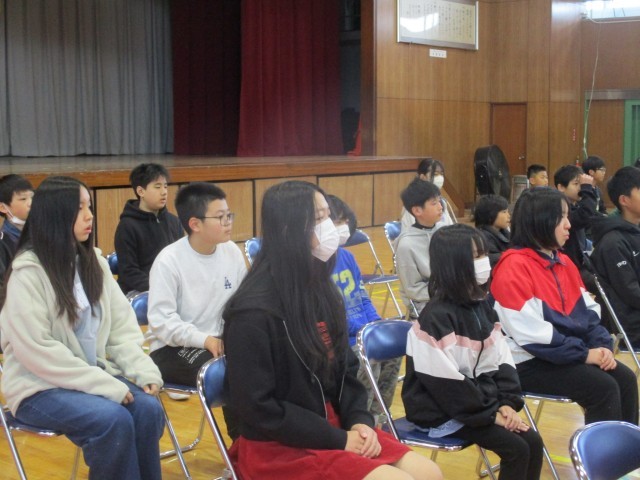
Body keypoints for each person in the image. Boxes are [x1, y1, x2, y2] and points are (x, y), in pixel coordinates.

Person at [222, 180, 443, 480]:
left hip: (333, 426)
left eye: (328, 215)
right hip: (279, 444)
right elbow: (258, 408)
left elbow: (346, 371)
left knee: (430, 473)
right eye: (318, 218)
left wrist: (359, 420)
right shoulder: (252, 313)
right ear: (287, 229)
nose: (330, 227)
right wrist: (338, 439)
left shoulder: (321, 290)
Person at [0, 176, 165, 480]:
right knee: (112, 419)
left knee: (148, 410)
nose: (89, 216)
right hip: (37, 386)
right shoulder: (27, 273)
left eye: (89, 206)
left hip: (88, 376)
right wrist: (103, 384)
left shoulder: (93, 263)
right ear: (55, 215)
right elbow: (38, 351)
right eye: (79, 208)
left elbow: (121, 329)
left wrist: (142, 369)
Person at [402, 224, 542, 480]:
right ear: (454, 265)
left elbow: (502, 360)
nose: (484, 262)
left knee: (532, 441)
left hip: (478, 404)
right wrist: (491, 414)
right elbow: (447, 385)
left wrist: (506, 403)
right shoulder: (435, 319)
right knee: (517, 448)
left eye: (484, 254)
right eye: (476, 256)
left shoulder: (481, 307)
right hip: (441, 409)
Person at [491, 188, 638, 426]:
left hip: (566, 352)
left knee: (626, 379)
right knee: (603, 388)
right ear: (539, 221)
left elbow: (589, 313)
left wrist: (601, 346)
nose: (569, 225)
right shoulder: (513, 267)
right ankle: (603, 450)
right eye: (561, 217)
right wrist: (584, 354)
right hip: (526, 361)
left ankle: (628, 447)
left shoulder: (563, 261)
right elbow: (532, 336)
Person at [147, 182, 247, 388]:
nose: (228, 222)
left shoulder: (232, 251)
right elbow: (161, 322)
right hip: (172, 347)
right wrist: (205, 340)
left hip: (220, 340)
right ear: (195, 224)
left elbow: (243, 302)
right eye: (220, 217)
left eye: (229, 215)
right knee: (228, 372)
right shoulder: (168, 261)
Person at [327, 194, 401, 424]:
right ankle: (362, 419)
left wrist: (377, 324)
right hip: (345, 339)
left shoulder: (347, 257)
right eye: (337, 221)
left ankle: (379, 416)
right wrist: (364, 330)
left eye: (345, 221)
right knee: (367, 357)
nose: (343, 226)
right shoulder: (318, 266)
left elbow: (362, 298)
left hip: (362, 329)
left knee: (393, 351)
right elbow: (331, 316)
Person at [114, 163, 183, 295]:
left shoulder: (174, 222)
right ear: (141, 191)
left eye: (165, 186)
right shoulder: (127, 226)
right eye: (157, 187)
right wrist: (160, 287)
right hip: (140, 291)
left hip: (171, 288)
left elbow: (182, 261)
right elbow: (129, 272)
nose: (164, 192)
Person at [591, 166, 640, 349]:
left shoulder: (635, 231)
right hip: (632, 328)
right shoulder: (612, 242)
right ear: (624, 200)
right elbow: (631, 292)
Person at [396, 178, 443, 315]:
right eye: (434, 203)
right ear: (417, 210)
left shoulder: (444, 232)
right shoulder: (406, 244)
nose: (440, 207)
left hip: (448, 296)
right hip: (425, 304)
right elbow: (413, 289)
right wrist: (446, 293)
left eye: (439, 201)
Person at [553, 164, 600, 287]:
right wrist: (587, 189)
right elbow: (584, 216)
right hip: (567, 266)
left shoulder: (576, 206)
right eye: (576, 184)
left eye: (582, 184)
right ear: (561, 187)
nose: (581, 188)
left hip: (580, 262)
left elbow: (591, 215)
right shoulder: (558, 209)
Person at [400, 158, 455, 230]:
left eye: (441, 174)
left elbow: (450, 227)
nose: (440, 177)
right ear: (422, 177)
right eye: (435, 174)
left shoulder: (442, 202)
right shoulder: (414, 202)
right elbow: (412, 230)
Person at [0, 174, 33, 284]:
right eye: (23, 199)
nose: (30, 203)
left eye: (32, 197)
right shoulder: (3, 242)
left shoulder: (41, 232)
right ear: (3, 207)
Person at [473, 194, 511, 267]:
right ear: (491, 214)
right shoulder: (483, 238)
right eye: (504, 212)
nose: (508, 216)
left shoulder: (504, 232)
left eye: (508, 211)